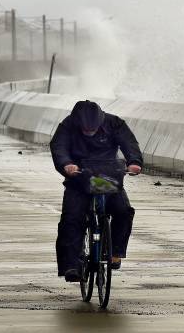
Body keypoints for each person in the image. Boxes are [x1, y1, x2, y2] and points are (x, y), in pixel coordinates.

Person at [50, 100, 143, 282]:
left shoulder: (114, 123)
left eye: (92, 129)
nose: (89, 132)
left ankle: (115, 251)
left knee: (124, 212)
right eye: (85, 130)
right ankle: (71, 266)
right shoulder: (67, 125)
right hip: (79, 179)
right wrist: (66, 164)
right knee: (71, 219)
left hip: (108, 177)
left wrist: (134, 162)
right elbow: (58, 147)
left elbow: (129, 144)